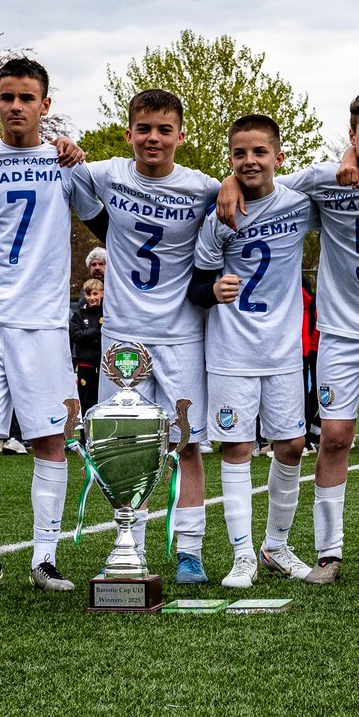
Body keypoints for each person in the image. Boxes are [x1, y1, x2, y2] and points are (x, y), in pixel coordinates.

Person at [221, 88, 359, 585]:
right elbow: (261, 179)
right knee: (335, 436)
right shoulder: (320, 178)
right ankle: (329, 554)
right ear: (351, 134)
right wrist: (229, 179)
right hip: (339, 330)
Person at [0, 57, 92, 594]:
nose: (15, 107)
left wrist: (79, 154)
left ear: (45, 105)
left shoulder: (66, 164)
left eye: (26, 98)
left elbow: (100, 214)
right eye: (6, 97)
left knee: (48, 441)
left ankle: (45, 558)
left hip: (44, 324)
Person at [68, 88, 222, 582]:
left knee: (187, 444)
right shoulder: (109, 173)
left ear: (180, 134)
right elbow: (59, 165)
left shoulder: (203, 187)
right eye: (143, 129)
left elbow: (243, 189)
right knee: (123, 444)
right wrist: (62, 147)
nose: (152, 139)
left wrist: (235, 189)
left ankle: (190, 552)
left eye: (163, 130)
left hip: (180, 334)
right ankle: (127, 542)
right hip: (123, 337)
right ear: (129, 131)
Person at [192, 114, 318, 587]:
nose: (250, 161)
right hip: (231, 350)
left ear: (279, 157)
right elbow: (197, 285)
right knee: (238, 447)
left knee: (289, 446)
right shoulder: (219, 216)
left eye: (259, 152)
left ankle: (276, 546)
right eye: (240, 154)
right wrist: (213, 290)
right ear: (230, 158)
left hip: (283, 349)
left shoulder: (299, 202)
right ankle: (242, 554)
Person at [71, 278, 104, 413]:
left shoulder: (106, 313)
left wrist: (88, 335)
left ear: (102, 293)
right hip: (85, 365)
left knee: (102, 400)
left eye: (95, 294)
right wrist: (96, 332)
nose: (92, 298)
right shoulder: (78, 315)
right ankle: (85, 433)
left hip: (103, 365)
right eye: (88, 294)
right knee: (86, 401)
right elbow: (76, 336)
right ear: (84, 295)